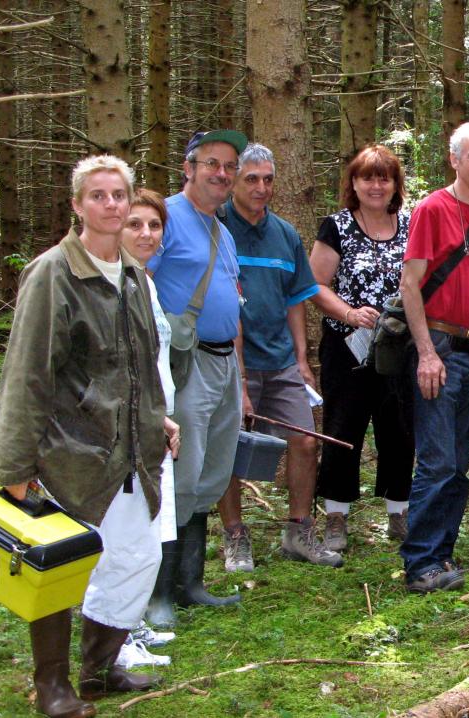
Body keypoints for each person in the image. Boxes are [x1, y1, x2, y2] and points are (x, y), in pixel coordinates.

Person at [0, 155, 173, 717]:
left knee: (136, 559)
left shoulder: (133, 276)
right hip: (66, 453)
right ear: (77, 205)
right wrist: (15, 467)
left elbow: (141, 364)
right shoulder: (53, 274)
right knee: (60, 568)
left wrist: (158, 419)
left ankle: (98, 669)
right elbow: (27, 373)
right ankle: (52, 685)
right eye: (97, 195)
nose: (111, 205)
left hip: (126, 453)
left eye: (119, 195)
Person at [213, 142, 340, 571]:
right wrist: (237, 371)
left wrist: (302, 359)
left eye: (268, 179)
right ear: (233, 180)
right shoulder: (216, 225)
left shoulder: (285, 234)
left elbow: (296, 301)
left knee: (304, 440)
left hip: (281, 360)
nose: (261, 188)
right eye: (252, 179)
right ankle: (234, 535)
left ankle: (298, 531)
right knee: (227, 445)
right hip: (230, 360)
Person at [399, 120, 469, 593]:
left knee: (459, 461)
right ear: (454, 160)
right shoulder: (432, 209)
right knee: (438, 459)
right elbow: (411, 286)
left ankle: (442, 554)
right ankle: (420, 561)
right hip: (439, 349)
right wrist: (426, 353)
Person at [148, 129, 248, 608]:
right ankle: (159, 592)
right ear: (188, 168)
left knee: (211, 472)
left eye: (229, 166)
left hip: (224, 363)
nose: (221, 174)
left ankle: (190, 584)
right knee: (180, 474)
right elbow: (140, 282)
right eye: (211, 163)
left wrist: (242, 379)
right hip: (187, 364)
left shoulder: (221, 231)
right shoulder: (164, 218)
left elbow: (231, 304)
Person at [309, 144, 415, 551]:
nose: (375, 185)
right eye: (367, 177)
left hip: (398, 347)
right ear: (353, 183)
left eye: (383, 177)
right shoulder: (336, 226)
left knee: (400, 429)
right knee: (343, 428)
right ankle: (336, 515)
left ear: (394, 185)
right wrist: (350, 313)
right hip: (347, 348)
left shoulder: (410, 225)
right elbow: (314, 285)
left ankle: (398, 511)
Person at [119, 189, 183, 629]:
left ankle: (131, 625)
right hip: (125, 427)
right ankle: (115, 634)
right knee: (124, 534)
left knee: (147, 531)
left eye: (154, 225)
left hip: (155, 422)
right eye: (135, 224)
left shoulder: (145, 281)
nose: (146, 234)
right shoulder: (113, 282)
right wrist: (150, 416)